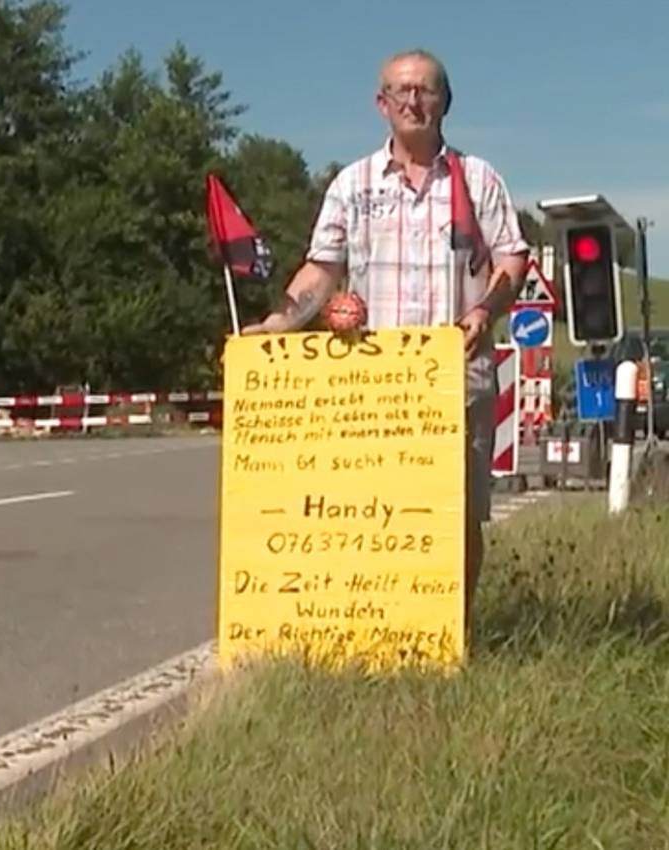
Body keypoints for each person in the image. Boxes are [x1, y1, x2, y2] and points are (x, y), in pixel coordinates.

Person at [244, 49, 529, 627]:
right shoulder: (352, 184)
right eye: (400, 91)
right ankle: (380, 628)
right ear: (381, 104)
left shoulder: (479, 179)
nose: (413, 101)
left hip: (458, 374)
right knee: (376, 514)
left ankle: (453, 633)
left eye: (425, 90)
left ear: (445, 101)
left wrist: (484, 311)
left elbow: (512, 259)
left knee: (458, 516)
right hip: (376, 389)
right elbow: (322, 269)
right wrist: (278, 324)